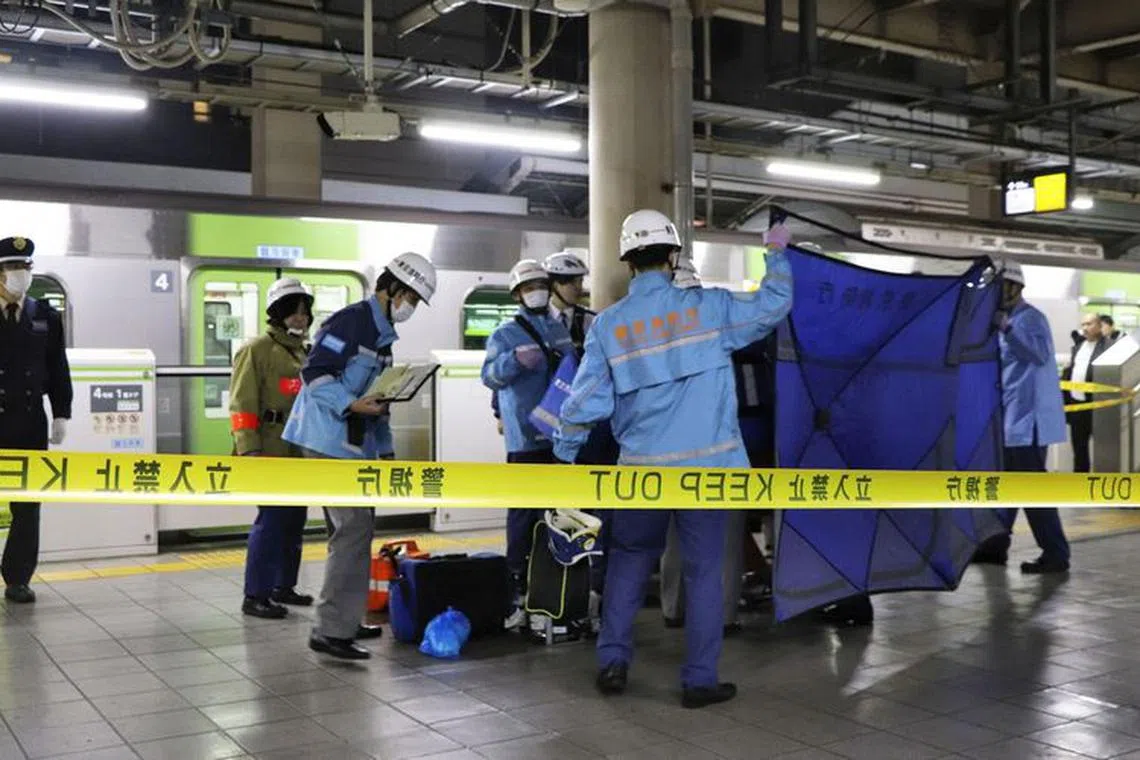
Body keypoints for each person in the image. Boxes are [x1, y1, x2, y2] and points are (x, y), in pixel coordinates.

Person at [554, 209, 793, 709]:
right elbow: (775, 305)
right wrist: (776, 254)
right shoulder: (710, 309)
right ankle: (699, 680)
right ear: (673, 255)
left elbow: (586, 403)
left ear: (626, 262)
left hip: (641, 473)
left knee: (629, 561)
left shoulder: (610, 326)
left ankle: (613, 661)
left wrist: (567, 454)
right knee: (704, 572)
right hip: (710, 472)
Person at [283, 252, 438, 660]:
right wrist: (352, 404)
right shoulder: (351, 321)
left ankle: (345, 620)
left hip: (352, 445)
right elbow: (315, 374)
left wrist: (386, 454)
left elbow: (377, 402)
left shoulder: (383, 337)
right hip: (324, 438)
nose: (412, 308)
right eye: (412, 299)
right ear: (393, 290)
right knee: (351, 530)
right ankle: (330, 630)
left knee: (359, 530)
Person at [481, 259, 574, 627]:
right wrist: (512, 361)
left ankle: (551, 587)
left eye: (540, 284)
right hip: (524, 437)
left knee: (555, 513)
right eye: (528, 286)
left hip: (561, 436)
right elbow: (489, 377)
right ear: (518, 294)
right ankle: (515, 590)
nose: (536, 291)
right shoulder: (504, 335)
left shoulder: (558, 329)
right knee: (522, 515)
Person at [658, 259, 748, 635]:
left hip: (665, 455)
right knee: (724, 538)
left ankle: (673, 608)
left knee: (674, 536)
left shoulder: (655, 340)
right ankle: (722, 616)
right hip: (715, 455)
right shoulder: (717, 337)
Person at [976, 260, 1070, 574]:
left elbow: (1039, 354)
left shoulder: (1030, 319)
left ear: (1015, 287)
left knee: (1031, 489)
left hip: (1028, 423)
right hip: (1011, 420)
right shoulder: (1004, 321)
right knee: (1007, 485)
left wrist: (1008, 329)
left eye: (1000, 288)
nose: (996, 295)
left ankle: (1056, 553)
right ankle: (995, 546)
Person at [231, 278, 316, 620]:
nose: (300, 319)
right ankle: (256, 594)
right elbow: (241, 403)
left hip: (299, 448)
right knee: (272, 520)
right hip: (268, 448)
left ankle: (284, 586)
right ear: (278, 314)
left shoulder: (306, 353)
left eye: (304, 312)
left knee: (295, 519)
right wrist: (248, 449)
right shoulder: (256, 350)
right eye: (293, 312)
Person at [0, 237, 71, 604]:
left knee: (28, 503)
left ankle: (17, 578)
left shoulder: (45, 315)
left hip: (30, 421)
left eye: (26, 268)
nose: (21, 275)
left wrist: (61, 412)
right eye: (13, 269)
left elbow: (58, 367)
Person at [1062, 313, 1108, 474]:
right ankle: (1080, 487)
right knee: (1079, 450)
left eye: (1089, 324)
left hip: (1097, 407)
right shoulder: (1078, 347)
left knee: (1104, 450)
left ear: (1099, 326)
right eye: (1083, 325)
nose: (1085, 328)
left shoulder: (1108, 348)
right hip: (1077, 406)